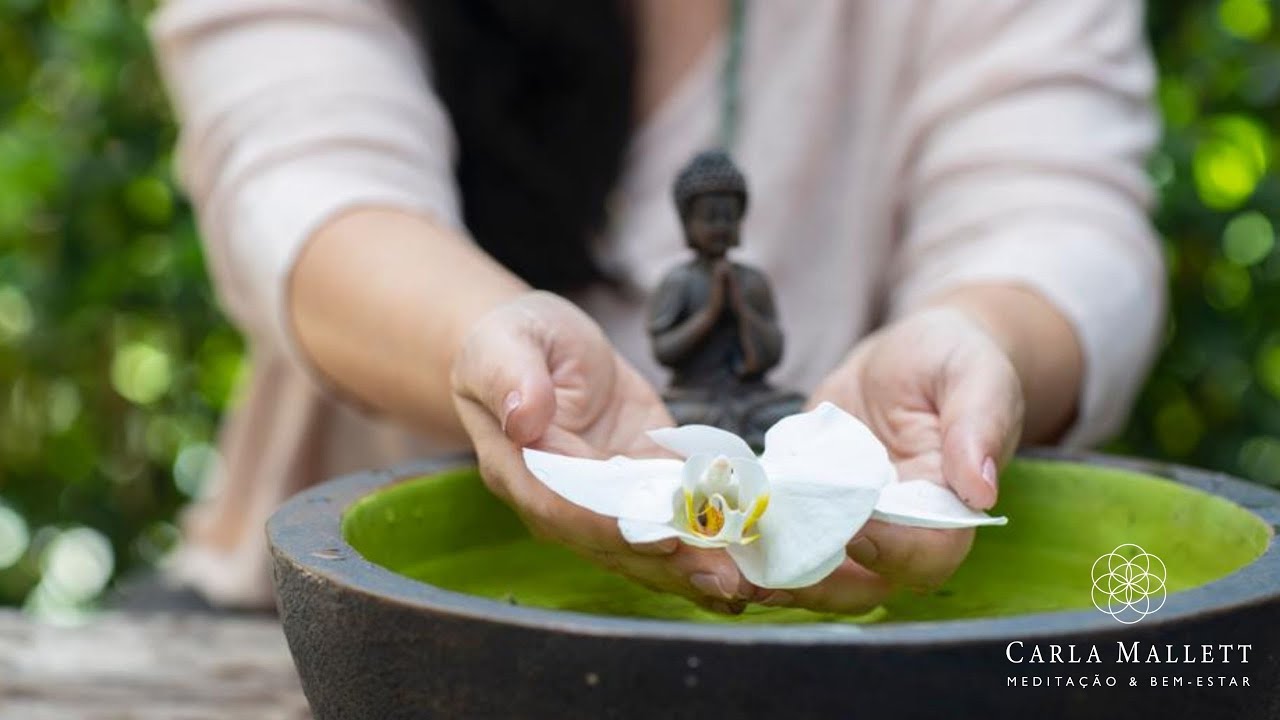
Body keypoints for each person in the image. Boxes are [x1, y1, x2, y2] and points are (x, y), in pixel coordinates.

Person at [148, 0, 1164, 614]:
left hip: (829, 630)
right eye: (707, 216)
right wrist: (493, 347)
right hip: (350, 623)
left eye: (729, 216)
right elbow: (295, 173)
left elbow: (1059, 207)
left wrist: (980, 334)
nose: (719, 233)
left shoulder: (734, 276)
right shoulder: (690, 284)